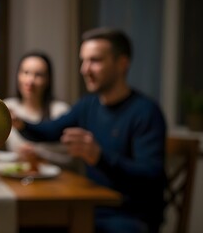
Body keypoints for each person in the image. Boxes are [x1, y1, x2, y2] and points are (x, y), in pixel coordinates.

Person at [12, 28, 166, 233]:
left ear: (122, 64)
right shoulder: (88, 105)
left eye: (95, 60)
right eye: (83, 61)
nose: (85, 69)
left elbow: (151, 177)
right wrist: (19, 122)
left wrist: (99, 156)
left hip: (128, 216)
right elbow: (50, 131)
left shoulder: (146, 112)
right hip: (90, 207)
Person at [4, 52, 82, 172]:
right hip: (16, 175)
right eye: (25, 73)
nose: (30, 80)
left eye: (38, 75)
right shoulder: (8, 107)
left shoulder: (60, 111)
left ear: (48, 79)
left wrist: (40, 154)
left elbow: (72, 158)